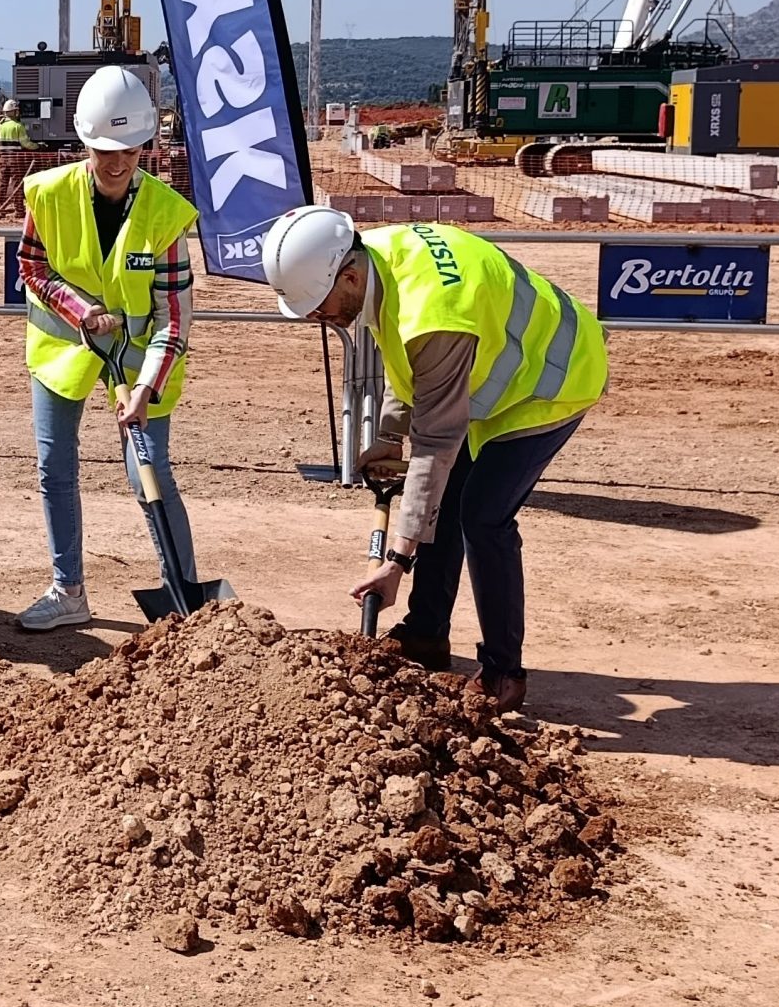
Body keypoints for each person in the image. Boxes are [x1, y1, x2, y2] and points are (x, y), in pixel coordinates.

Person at [260, 207, 608, 714]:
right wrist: (387, 435)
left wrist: (395, 562)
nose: (320, 318)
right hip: (487, 378)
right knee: (444, 502)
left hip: (551, 379)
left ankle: (503, 673)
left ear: (350, 276)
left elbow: (436, 443)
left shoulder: (434, 309)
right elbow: (410, 362)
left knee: (482, 517)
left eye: (319, 307)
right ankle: (426, 635)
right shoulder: (374, 257)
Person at [14, 66, 197, 631]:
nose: (116, 163)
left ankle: (185, 598)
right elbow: (31, 266)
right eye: (103, 150)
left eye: (129, 150)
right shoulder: (48, 195)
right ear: (84, 142)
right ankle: (68, 589)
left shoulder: (165, 215)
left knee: (149, 473)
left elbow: (174, 317)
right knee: (55, 467)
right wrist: (79, 310)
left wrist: (145, 388)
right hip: (61, 352)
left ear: (146, 144)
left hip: (141, 362)